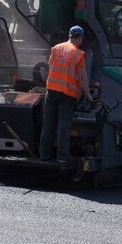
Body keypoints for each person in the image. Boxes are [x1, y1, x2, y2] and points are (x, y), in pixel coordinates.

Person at [39, 25, 93, 163]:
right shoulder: (78, 54)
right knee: (63, 125)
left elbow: (50, 67)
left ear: (69, 36)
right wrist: (88, 94)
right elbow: (82, 77)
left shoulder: (56, 48)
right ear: (80, 38)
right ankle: (62, 156)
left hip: (51, 91)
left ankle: (44, 154)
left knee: (48, 124)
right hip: (67, 94)